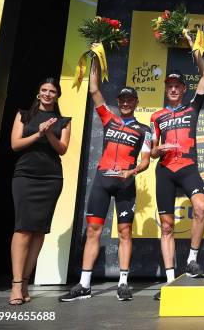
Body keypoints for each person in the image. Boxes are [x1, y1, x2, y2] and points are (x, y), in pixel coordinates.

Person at [58, 56, 151, 302]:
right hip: (102, 179)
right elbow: (93, 89)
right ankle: (84, 284)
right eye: (122, 99)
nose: (126, 103)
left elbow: (146, 161)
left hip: (125, 183)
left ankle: (122, 283)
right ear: (118, 102)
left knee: (124, 232)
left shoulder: (145, 131)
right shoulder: (109, 118)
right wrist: (97, 57)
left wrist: (132, 172)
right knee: (93, 231)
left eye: (130, 100)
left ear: (136, 103)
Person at [148, 38, 204, 300]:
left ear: (183, 89)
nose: (173, 90)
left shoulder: (192, 106)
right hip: (164, 169)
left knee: (201, 207)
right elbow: (150, 151)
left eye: (177, 86)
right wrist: (156, 151)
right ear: (166, 90)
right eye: (170, 87)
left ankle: (192, 260)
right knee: (166, 226)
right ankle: (170, 280)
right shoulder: (156, 116)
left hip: (187, 166)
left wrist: (192, 43)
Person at [10, 78, 71, 305]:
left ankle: (25, 282)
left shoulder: (63, 121)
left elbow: (62, 150)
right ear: (38, 93)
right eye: (44, 90)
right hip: (25, 176)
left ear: (57, 95)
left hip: (51, 178)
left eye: (52, 91)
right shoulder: (24, 115)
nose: (47, 94)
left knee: (38, 231)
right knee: (23, 228)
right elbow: (15, 144)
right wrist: (38, 134)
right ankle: (16, 285)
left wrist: (50, 134)